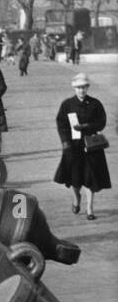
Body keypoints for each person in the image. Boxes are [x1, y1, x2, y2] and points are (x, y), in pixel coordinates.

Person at [54, 73, 110, 220]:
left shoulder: (95, 104)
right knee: (75, 177)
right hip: (73, 146)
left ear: (88, 87)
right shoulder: (67, 104)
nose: (81, 90)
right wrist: (65, 142)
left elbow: (102, 122)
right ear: (74, 88)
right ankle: (76, 198)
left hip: (91, 146)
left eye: (84, 87)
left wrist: (87, 126)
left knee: (91, 178)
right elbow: (62, 125)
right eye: (78, 88)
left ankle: (90, 210)